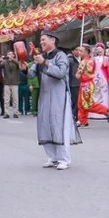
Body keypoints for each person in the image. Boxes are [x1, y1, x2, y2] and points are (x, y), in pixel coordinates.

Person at [30, 31, 79, 170]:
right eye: (41, 40)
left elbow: (61, 73)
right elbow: (30, 73)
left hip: (59, 96)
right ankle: (52, 157)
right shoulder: (42, 57)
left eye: (43, 39)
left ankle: (64, 159)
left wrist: (45, 63)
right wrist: (24, 67)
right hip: (45, 95)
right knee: (45, 123)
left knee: (59, 124)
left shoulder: (61, 55)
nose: (41, 42)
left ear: (53, 40)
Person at [75, 45, 108, 128]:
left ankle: (105, 110)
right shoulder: (87, 60)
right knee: (81, 104)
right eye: (79, 51)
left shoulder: (87, 61)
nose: (79, 52)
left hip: (87, 84)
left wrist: (80, 71)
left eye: (81, 51)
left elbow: (82, 74)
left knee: (87, 104)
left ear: (86, 52)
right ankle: (83, 121)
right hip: (84, 84)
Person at [92, 43, 109, 118]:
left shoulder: (106, 58)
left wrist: (108, 78)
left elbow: (108, 69)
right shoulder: (94, 58)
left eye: (101, 50)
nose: (99, 51)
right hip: (95, 76)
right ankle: (94, 112)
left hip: (103, 77)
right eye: (98, 50)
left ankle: (104, 111)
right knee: (95, 93)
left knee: (103, 94)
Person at [1, 51, 21, 119]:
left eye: (10, 54)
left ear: (13, 55)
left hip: (15, 83)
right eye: (8, 54)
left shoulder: (16, 62)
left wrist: (12, 60)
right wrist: (1, 60)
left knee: (15, 98)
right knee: (6, 99)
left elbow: (19, 65)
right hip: (7, 83)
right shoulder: (5, 62)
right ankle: (7, 113)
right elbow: (0, 65)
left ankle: (16, 112)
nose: (8, 55)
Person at [68, 47, 80, 121]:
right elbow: (70, 73)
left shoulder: (80, 60)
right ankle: (75, 116)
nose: (78, 52)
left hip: (79, 83)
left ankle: (77, 116)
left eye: (79, 50)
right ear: (72, 51)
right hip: (74, 84)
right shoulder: (71, 60)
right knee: (75, 101)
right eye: (76, 50)